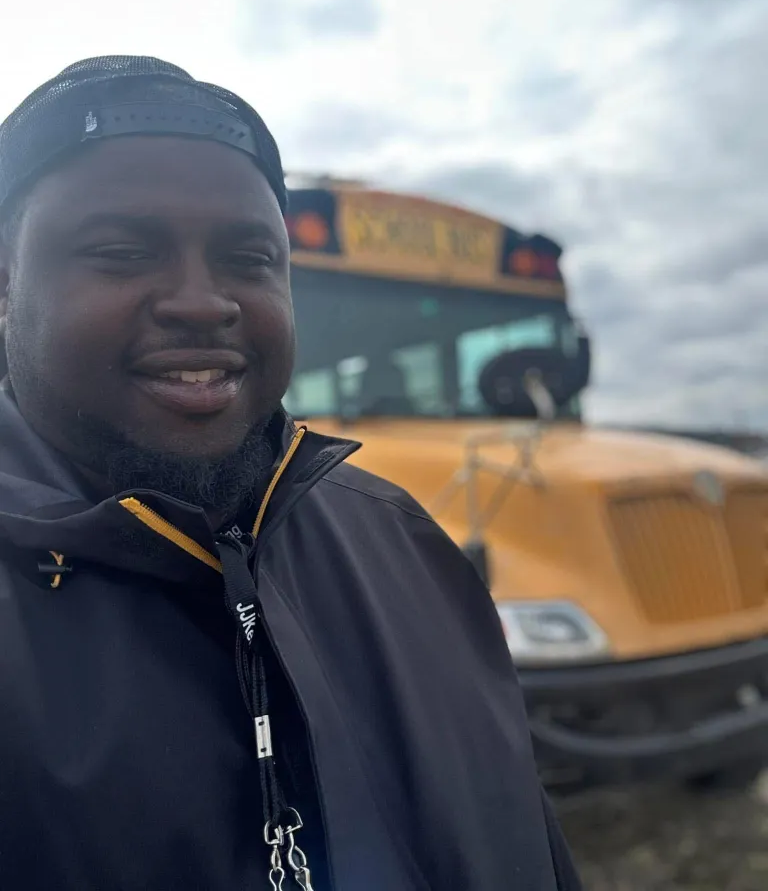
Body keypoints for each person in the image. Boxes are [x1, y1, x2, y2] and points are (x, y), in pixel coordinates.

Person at [0, 56, 582, 890]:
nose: (203, 303)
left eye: (250, 258)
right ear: (5, 284)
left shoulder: (403, 540)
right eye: (123, 251)